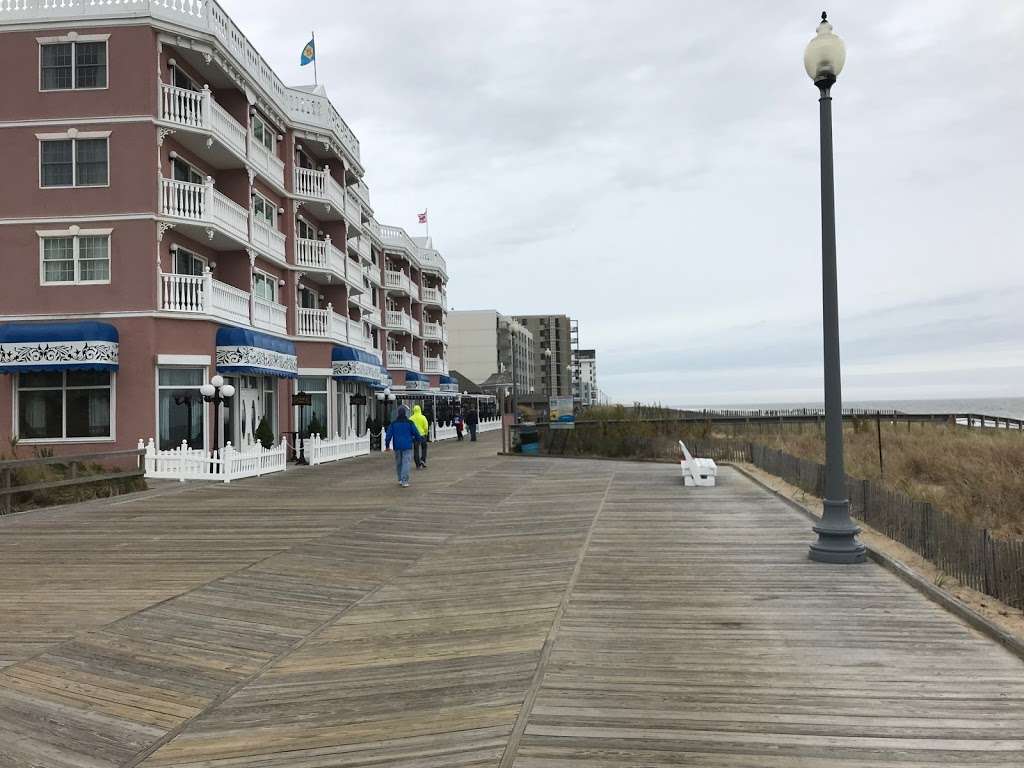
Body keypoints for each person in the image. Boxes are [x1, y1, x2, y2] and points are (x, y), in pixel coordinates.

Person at [384, 406, 423, 487]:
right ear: (405, 414)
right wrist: (418, 440)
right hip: (407, 445)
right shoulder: (410, 423)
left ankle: (400, 479)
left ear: (398, 414)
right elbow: (416, 433)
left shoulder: (393, 423)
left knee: (399, 463)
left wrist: (387, 445)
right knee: (406, 463)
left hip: (397, 446)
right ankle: (405, 480)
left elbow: (388, 435)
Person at [410, 404, 430, 469]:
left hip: (415, 436)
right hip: (422, 435)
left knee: (416, 449)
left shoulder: (411, 418)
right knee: (424, 447)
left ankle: (417, 464)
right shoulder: (423, 417)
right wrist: (426, 433)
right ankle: (422, 460)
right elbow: (426, 427)